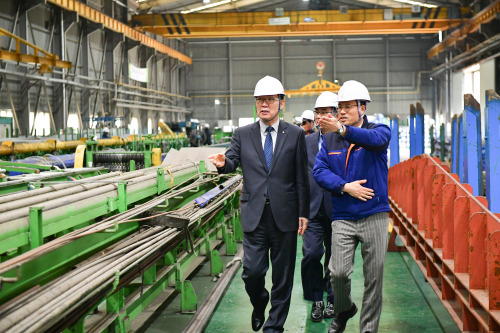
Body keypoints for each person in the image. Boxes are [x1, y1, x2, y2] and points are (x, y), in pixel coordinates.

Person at [209, 75, 310, 333]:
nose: (264, 104)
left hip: (285, 215)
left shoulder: (296, 134)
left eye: (269, 100)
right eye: (259, 100)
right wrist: (223, 163)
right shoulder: (243, 134)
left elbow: (301, 176)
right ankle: (259, 301)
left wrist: (304, 212)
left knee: (283, 276)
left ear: (281, 103)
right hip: (254, 213)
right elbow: (231, 161)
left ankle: (274, 327)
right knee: (252, 272)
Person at [313, 80, 391, 333]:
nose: (342, 112)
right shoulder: (330, 140)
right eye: (340, 107)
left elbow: (376, 139)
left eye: (348, 106)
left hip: (373, 215)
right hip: (343, 215)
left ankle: (368, 329)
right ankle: (344, 309)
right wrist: (345, 187)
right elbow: (319, 171)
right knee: (338, 273)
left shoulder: (378, 131)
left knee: (374, 279)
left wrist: (344, 131)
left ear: (362, 108)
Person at [301, 91, 337, 322]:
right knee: (312, 255)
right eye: (319, 112)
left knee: (336, 259)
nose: (322, 116)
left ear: (335, 114)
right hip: (312, 210)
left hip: (338, 209)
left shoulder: (345, 140)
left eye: (326, 112)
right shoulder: (305, 143)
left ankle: (333, 299)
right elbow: (299, 178)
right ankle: (316, 299)